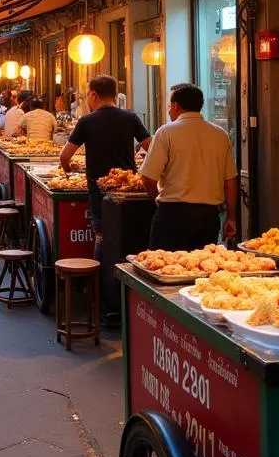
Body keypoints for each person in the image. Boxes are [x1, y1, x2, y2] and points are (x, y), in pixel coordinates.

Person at [60, 75, 152, 323]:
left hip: (99, 192)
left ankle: (102, 299)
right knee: (129, 240)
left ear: (93, 95)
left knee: (102, 238)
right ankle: (130, 298)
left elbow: (65, 154)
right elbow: (150, 145)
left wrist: (69, 169)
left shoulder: (87, 121)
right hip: (129, 193)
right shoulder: (130, 117)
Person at [139, 82, 238, 251]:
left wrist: (156, 199)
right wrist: (231, 218)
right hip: (209, 217)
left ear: (176, 106)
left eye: (170, 106)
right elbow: (230, 181)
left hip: (173, 214)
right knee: (200, 268)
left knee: (164, 268)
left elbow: (148, 177)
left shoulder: (166, 132)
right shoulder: (220, 135)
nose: (169, 110)